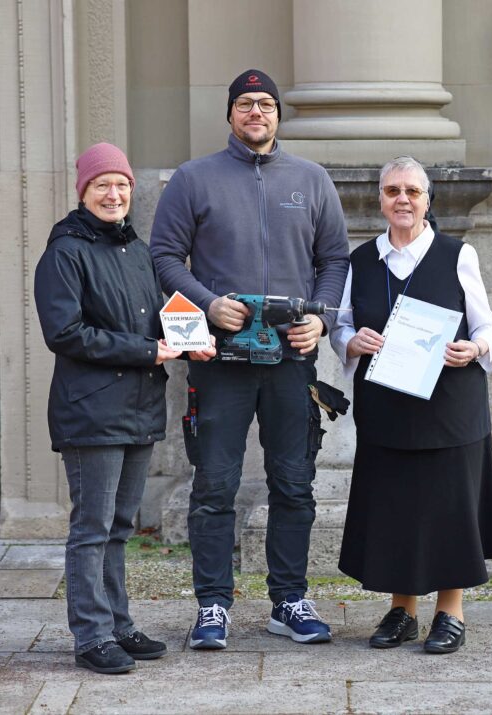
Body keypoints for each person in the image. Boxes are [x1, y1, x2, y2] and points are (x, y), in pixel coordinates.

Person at [150, 69, 350, 649]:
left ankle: (289, 600)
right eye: (244, 104)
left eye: (265, 104)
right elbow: (164, 256)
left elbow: (334, 259)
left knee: (294, 484)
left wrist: (323, 317)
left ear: (278, 115)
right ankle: (212, 606)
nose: (255, 112)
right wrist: (209, 305)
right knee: (214, 486)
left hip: (291, 360)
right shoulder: (194, 179)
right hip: (220, 362)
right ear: (230, 115)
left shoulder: (311, 180)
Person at [34, 142, 214, 674]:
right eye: (102, 185)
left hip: (138, 406)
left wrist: (189, 339)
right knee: (91, 527)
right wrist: (146, 350)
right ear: (83, 192)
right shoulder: (64, 252)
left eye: (122, 185)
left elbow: (157, 319)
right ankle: (91, 636)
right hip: (91, 410)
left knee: (118, 526)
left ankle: (118, 624)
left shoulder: (136, 251)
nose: (114, 194)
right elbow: (63, 332)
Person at [330, 156, 492, 654]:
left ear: (428, 200)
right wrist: (351, 340)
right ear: (380, 200)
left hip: (452, 405)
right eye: (392, 191)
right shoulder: (361, 260)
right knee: (395, 509)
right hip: (387, 406)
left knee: (451, 507)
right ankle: (401, 612)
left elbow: (488, 326)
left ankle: (450, 614)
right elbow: (341, 326)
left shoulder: (458, 255)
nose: (402, 199)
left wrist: (474, 349)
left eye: (411, 190)